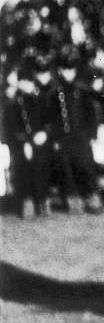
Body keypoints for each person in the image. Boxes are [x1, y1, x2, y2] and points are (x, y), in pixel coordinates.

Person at [45, 50, 104, 214]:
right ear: (60, 71)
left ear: (75, 71)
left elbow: (91, 115)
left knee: (86, 169)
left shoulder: (83, 91)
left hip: (81, 137)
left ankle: (92, 200)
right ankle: (73, 202)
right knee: (67, 172)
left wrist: (92, 135)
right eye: (65, 70)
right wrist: (55, 138)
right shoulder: (54, 94)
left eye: (71, 70)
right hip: (64, 138)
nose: (68, 73)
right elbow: (50, 119)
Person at [2, 61, 52, 218]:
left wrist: (44, 134)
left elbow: (48, 122)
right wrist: (24, 143)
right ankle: (26, 203)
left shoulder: (41, 101)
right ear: (19, 84)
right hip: (20, 145)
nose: (27, 85)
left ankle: (42, 201)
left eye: (30, 82)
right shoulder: (13, 105)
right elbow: (10, 130)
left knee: (42, 167)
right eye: (23, 82)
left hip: (40, 143)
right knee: (23, 169)